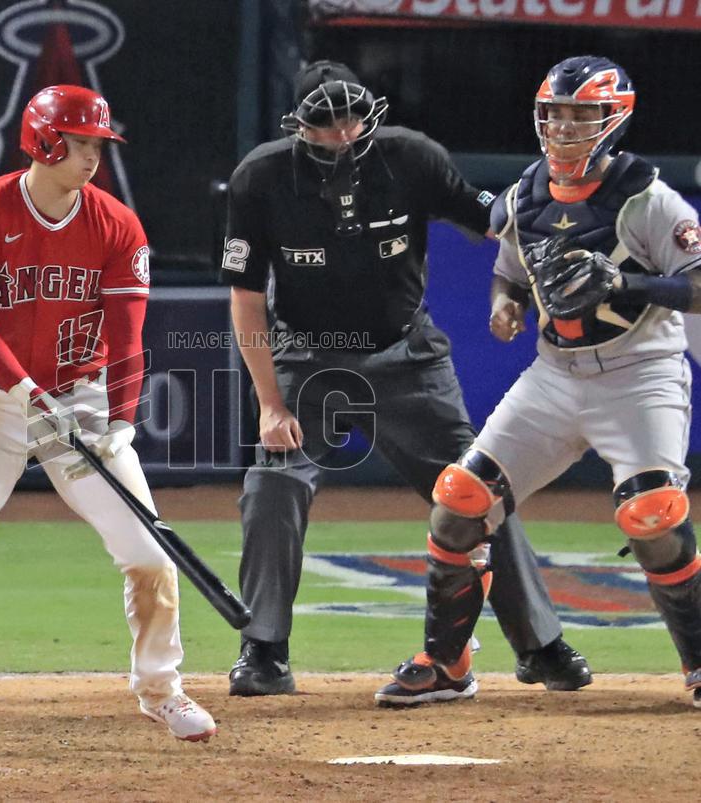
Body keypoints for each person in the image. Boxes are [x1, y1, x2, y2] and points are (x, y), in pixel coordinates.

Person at [220, 60, 592, 699]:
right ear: (299, 126)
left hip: (406, 353)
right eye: (326, 122)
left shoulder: (411, 158)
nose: (342, 133)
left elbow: (498, 223)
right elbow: (246, 298)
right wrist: (270, 404)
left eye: (351, 118)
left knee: (479, 490)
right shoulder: (261, 177)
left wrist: (527, 274)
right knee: (272, 483)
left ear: (369, 114)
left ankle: (540, 645)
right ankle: (264, 649)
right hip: (309, 356)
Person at [0, 84, 217, 755]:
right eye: (80, 143)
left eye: (97, 145)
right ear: (44, 141)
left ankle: (160, 686)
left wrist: (118, 418)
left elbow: (128, 334)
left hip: (79, 402)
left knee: (149, 552)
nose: (91, 157)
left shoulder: (117, 225)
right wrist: (29, 393)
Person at [377, 55, 701, 708]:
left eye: (581, 115)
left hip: (641, 373)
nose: (564, 128)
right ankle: (446, 661)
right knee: (459, 501)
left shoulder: (648, 197)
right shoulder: (526, 193)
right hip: (555, 375)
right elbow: (511, 268)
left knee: (650, 516)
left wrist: (628, 282)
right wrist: (506, 301)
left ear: (613, 121)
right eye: (555, 114)